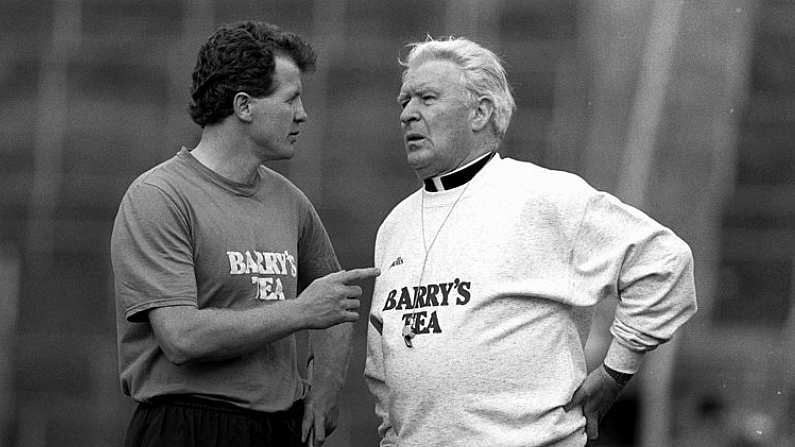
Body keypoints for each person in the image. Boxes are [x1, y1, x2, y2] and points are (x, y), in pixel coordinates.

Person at [364, 37, 697, 447]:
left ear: (480, 112)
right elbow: (383, 354)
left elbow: (666, 263)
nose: (408, 114)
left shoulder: (544, 196)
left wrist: (615, 372)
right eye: (404, 102)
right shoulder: (394, 224)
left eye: (427, 98)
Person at [111, 21, 379, 447]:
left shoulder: (291, 201)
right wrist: (300, 312)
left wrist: (324, 394)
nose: (303, 114)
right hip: (186, 426)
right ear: (244, 106)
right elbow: (181, 337)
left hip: (277, 427)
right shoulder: (159, 196)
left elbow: (336, 301)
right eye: (291, 100)